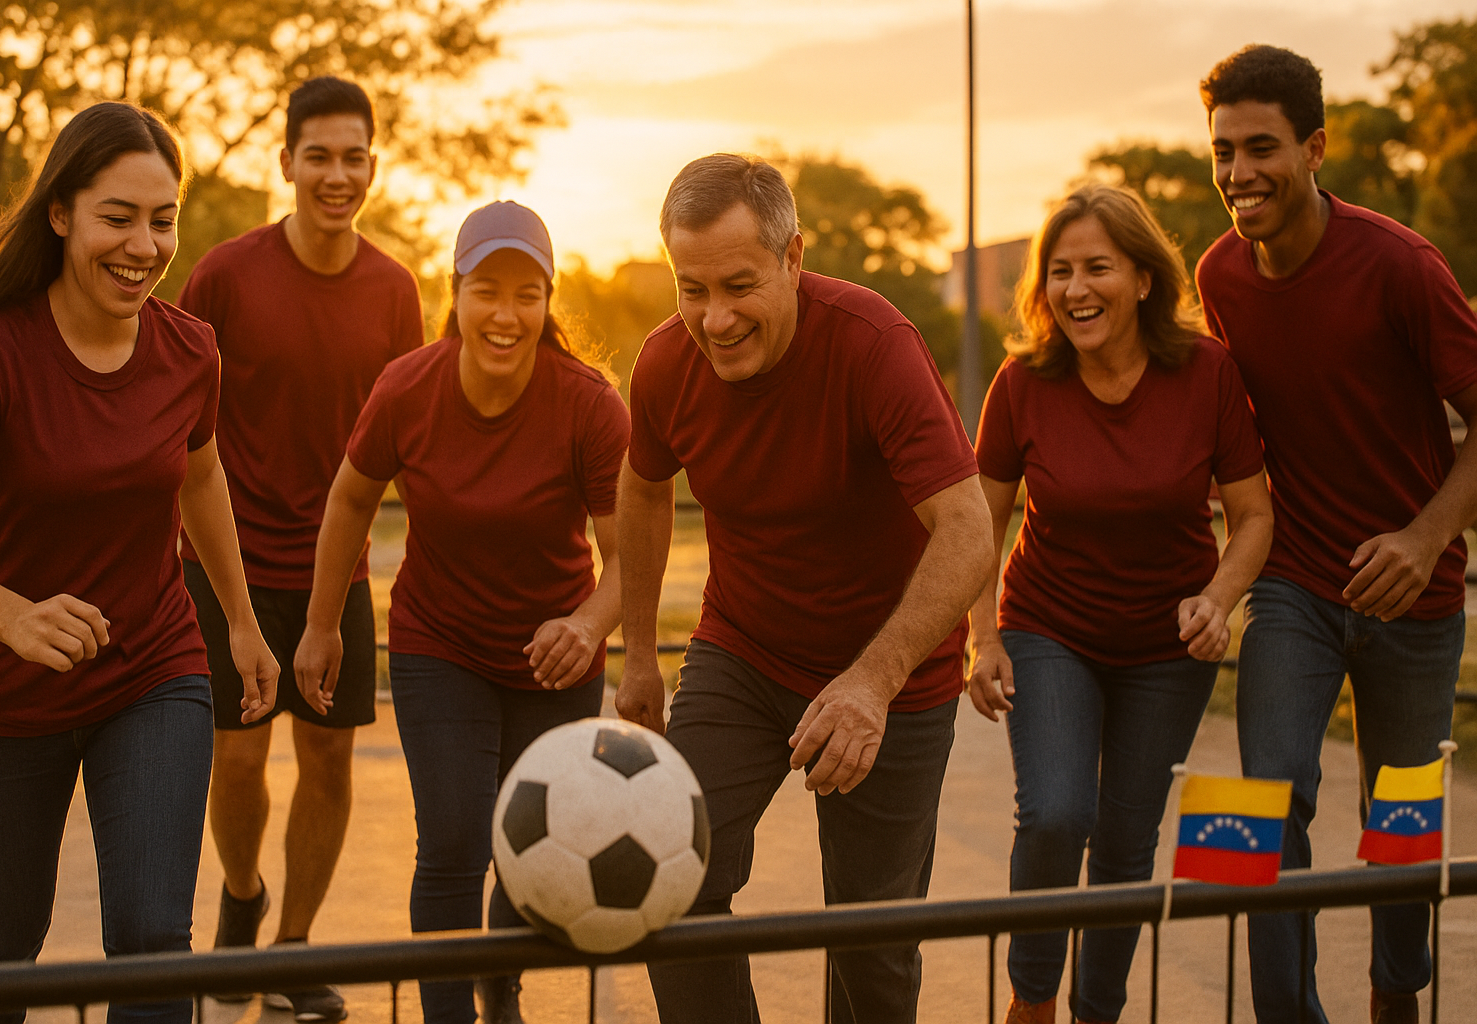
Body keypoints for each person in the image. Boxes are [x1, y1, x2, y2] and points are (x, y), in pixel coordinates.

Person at [615, 153, 995, 1024]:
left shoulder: (874, 345)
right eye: (691, 289)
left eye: (740, 284)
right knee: (671, 867)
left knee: (872, 949)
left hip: (895, 674)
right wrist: (637, 655)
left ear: (794, 260)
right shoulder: (666, 365)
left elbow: (969, 526)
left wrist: (872, 681)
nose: (715, 319)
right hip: (745, 651)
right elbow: (640, 486)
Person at [0, 101, 279, 1024]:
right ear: (61, 214)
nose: (144, 244)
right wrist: (13, 617)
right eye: (117, 217)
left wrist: (241, 623)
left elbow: (202, 482)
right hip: (5, 696)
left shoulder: (188, 350)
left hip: (153, 671)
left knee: (151, 938)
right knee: (7, 941)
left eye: (162, 219)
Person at [1195, 45, 1477, 1024]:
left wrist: (1427, 534)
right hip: (1294, 582)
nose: (1238, 173)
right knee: (1257, 803)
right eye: (1222, 150)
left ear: (1316, 147)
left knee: (1401, 822)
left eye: (1261, 147)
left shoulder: (1403, 265)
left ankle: (1397, 998)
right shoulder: (1218, 274)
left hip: (1418, 596)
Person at [293, 200, 628, 1024]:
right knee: (451, 841)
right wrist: (321, 624)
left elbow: (634, 559)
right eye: (487, 289)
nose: (505, 314)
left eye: (527, 293)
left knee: (526, 848)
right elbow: (348, 500)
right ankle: (447, 1014)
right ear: (457, 292)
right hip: (437, 643)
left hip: (555, 658)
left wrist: (587, 626)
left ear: (549, 302)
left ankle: (500, 989)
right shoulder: (408, 386)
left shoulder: (588, 404)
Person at [966, 183, 1273, 1024]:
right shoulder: (1023, 381)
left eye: (1097, 267)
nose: (1076, 289)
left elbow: (1252, 516)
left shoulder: (1206, 372)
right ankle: (1032, 1000)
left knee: (1128, 844)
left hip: (1166, 648)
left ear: (1142, 278)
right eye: (1059, 271)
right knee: (1059, 811)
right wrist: (981, 639)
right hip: (1048, 626)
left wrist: (1219, 598)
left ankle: (1099, 1010)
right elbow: (979, 522)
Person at [176, 76, 423, 1023]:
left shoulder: (396, 291)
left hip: (338, 576)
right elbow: (180, 428)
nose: (336, 173)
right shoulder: (226, 276)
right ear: (285, 163)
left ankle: (292, 948)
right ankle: (242, 897)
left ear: (372, 163)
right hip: (225, 567)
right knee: (236, 766)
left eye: (353, 156)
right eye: (317, 155)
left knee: (326, 765)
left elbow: (402, 444)